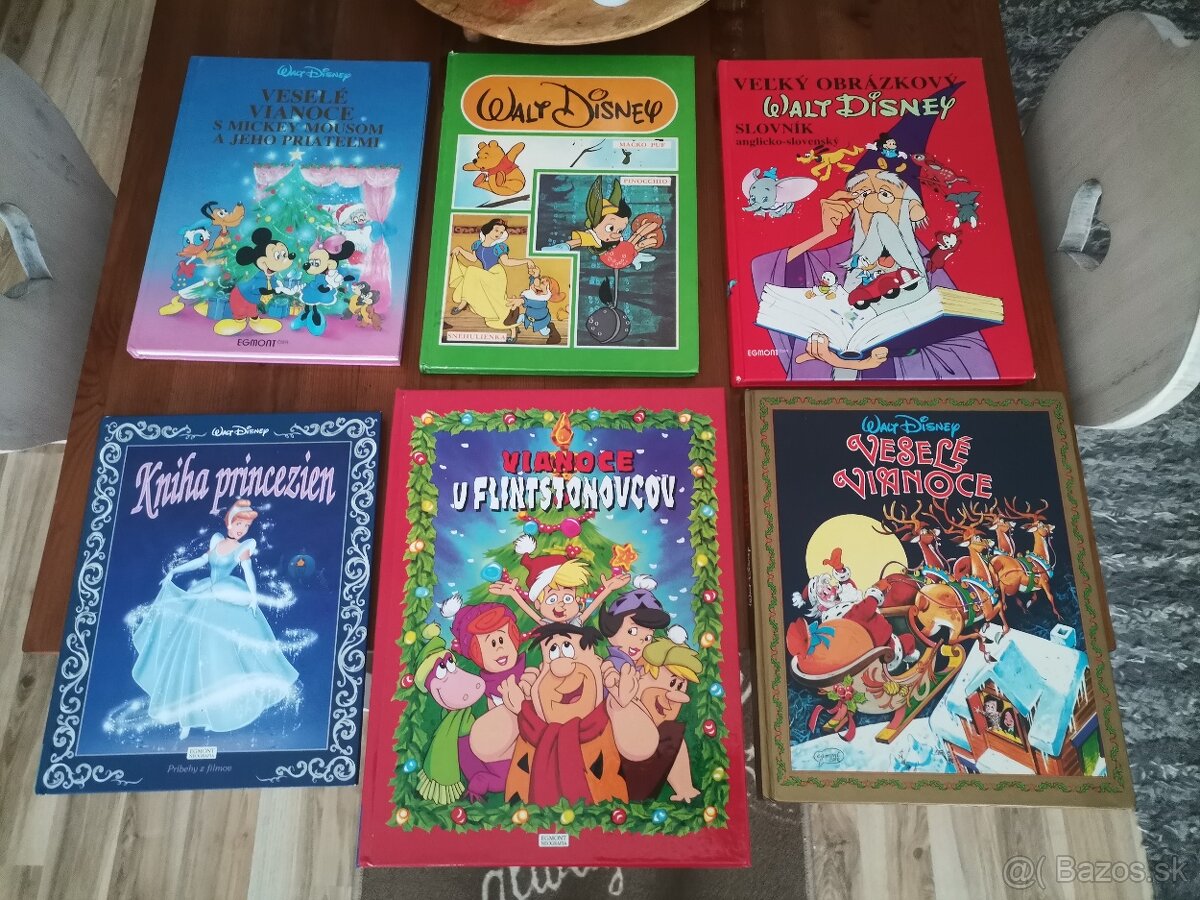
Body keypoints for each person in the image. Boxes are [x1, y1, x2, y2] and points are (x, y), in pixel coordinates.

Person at [131, 500, 298, 739]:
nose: (241, 530)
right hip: (204, 595)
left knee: (217, 660)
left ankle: (214, 714)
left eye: (245, 527)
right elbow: (201, 561)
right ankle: (186, 719)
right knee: (189, 655)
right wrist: (175, 570)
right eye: (238, 524)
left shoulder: (243, 548)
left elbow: (248, 572)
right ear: (229, 522)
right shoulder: (217, 541)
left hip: (226, 598)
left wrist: (253, 597)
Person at [448, 219, 535, 330]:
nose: (498, 234)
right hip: (486, 274)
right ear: (488, 229)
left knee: (471, 272)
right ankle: (512, 323)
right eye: (496, 230)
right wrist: (460, 249)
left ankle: (463, 303)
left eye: (501, 232)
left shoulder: (499, 247)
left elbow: (507, 262)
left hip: (497, 275)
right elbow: (473, 258)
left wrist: (526, 261)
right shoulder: (477, 245)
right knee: (495, 302)